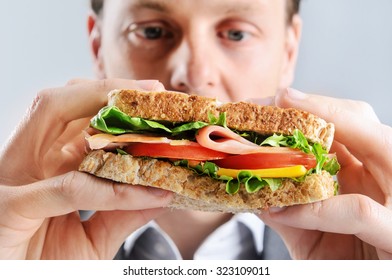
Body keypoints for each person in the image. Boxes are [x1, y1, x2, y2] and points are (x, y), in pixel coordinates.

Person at [0, 0, 391, 260]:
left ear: (289, 51)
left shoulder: (363, 246)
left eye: (236, 33)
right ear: (98, 46)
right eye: (152, 31)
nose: (193, 74)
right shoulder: (24, 236)